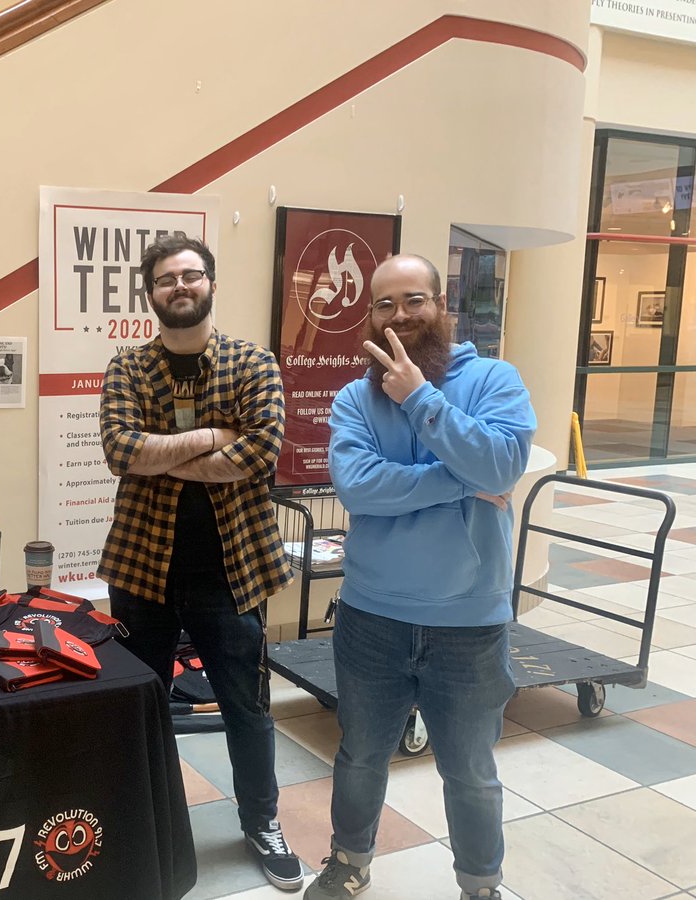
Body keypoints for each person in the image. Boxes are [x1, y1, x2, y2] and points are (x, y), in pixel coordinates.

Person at [305, 254, 536, 900]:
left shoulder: (494, 380)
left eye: (414, 300)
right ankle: (350, 861)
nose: (400, 316)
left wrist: (421, 401)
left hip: (468, 624)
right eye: (384, 305)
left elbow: (502, 464)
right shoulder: (355, 398)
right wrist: (460, 480)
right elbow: (359, 488)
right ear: (370, 318)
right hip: (371, 617)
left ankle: (480, 885)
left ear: (442, 305)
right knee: (359, 757)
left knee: (470, 772)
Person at [99, 235, 304, 891]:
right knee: (138, 707)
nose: (179, 286)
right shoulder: (127, 366)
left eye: (191, 275)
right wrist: (216, 436)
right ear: (150, 293)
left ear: (211, 283)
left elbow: (261, 452)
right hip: (141, 572)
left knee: (247, 709)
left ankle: (262, 822)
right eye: (166, 279)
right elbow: (119, 449)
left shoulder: (252, 362)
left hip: (232, 571)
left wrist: (165, 453)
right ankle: (137, 824)